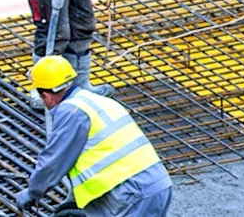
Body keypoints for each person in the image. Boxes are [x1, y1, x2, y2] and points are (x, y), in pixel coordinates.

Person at [15, 56, 173, 216]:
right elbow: (96, 154)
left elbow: (54, 161)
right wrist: (73, 199)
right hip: (156, 184)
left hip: (132, 191)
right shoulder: (98, 101)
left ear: (47, 96)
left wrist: (32, 193)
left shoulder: (71, 111)